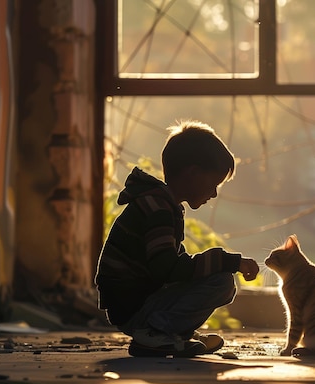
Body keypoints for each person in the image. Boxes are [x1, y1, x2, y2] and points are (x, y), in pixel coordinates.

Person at [95, 120, 259, 357]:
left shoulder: (163, 205)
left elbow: (172, 265)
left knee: (218, 278)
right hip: (134, 308)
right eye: (213, 184)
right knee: (221, 282)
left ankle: (173, 333)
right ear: (192, 174)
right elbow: (169, 270)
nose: (213, 194)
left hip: (138, 302)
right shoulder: (158, 208)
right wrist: (228, 262)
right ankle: (155, 333)